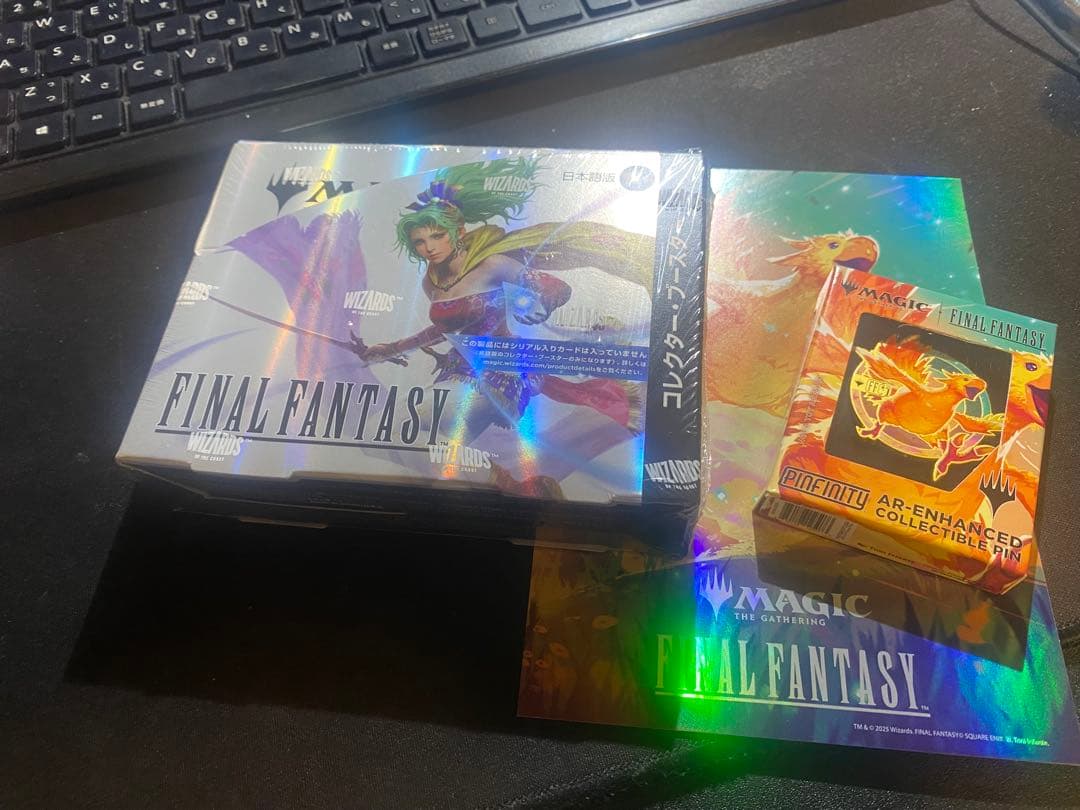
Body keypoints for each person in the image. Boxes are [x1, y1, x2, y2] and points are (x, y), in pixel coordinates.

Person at [353, 158, 656, 439]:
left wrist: (541, 304)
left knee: (408, 426)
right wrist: (391, 348)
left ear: (458, 232)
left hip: (501, 371)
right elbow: (445, 330)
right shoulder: (430, 282)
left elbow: (556, 288)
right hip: (457, 370)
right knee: (394, 436)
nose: (429, 248)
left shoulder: (492, 264)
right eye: (420, 242)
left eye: (437, 236)